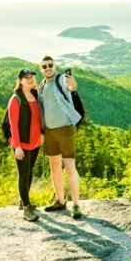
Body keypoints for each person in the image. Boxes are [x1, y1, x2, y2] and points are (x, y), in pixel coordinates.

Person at [38, 55, 86, 219]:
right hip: (50, 131)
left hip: (65, 129)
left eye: (50, 65)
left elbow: (70, 88)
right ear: (41, 69)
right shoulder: (42, 86)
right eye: (44, 66)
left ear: (54, 65)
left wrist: (73, 86)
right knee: (55, 166)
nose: (48, 68)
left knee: (70, 167)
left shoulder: (60, 80)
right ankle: (60, 201)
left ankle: (76, 205)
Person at [4, 68, 42, 222]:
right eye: (26, 77)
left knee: (30, 171)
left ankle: (24, 201)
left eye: (32, 77)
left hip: (35, 142)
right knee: (24, 174)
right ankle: (26, 208)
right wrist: (17, 146)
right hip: (22, 144)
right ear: (20, 81)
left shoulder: (34, 95)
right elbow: (13, 125)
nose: (30, 79)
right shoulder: (16, 99)